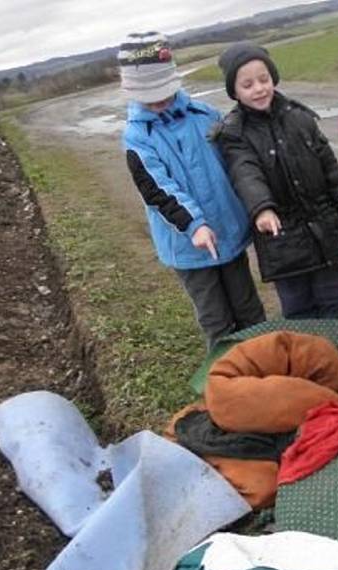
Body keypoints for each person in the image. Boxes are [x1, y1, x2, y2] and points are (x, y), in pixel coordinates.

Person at [119, 32, 265, 351]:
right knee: (217, 320)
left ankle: (264, 369)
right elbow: (157, 189)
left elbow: (238, 162)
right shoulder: (137, 136)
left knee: (249, 310)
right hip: (189, 246)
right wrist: (194, 225)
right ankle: (229, 383)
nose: (158, 100)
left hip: (229, 230)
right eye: (149, 95)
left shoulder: (206, 115)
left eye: (164, 91)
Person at [215, 43, 338, 320]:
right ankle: (308, 362)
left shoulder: (300, 117)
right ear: (235, 92)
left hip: (324, 230)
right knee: (299, 309)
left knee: (336, 301)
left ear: (273, 78)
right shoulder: (234, 134)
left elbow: (330, 167)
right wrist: (262, 207)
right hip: (281, 240)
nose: (258, 89)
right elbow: (245, 172)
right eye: (248, 84)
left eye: (263, 79)